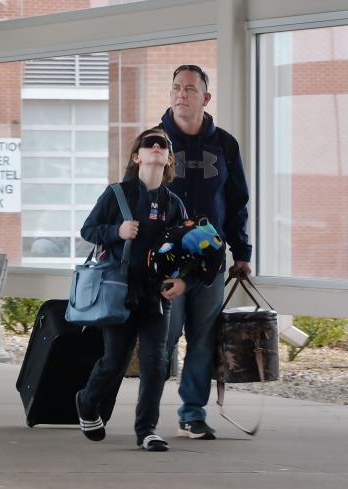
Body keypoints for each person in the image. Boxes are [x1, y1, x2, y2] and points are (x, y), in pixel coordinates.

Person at [74, 128, 188, 452]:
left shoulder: (174, 204)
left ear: (167, 159)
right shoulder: (116, 194)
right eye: (148, 144)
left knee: (156, 362)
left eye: (162, 145)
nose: (156, 147)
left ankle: (147, 430)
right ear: (137, 157)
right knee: (115, 362)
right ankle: (86, 400)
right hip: (118, 292)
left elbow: (187, 249)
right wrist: (117, 231)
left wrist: (182, 280)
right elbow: (88, 229)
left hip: (156, 296)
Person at [159, 64, 252, 441]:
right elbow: (136, 199)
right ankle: (140, 413)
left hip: (210, 259)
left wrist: (241, 251)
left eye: (190, 89)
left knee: (201, 338)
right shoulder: (154, 141)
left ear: (205, 98)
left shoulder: (225, 144)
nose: (182, 94)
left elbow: (237, 202)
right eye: (176, 88)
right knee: (163, 337)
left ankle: (192, 414)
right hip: (167, 258)